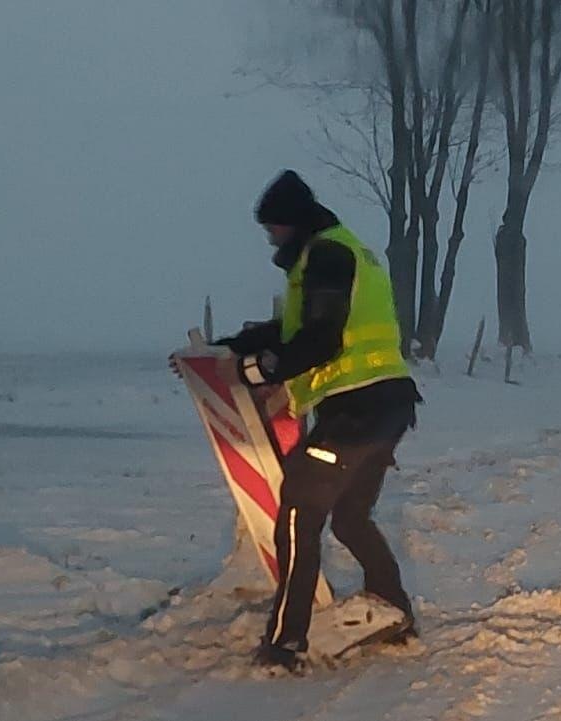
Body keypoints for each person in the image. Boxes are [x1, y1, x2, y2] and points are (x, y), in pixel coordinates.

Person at [216, 170, 422, 672]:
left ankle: (286, 643)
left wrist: (257, 369)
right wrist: (232, 346)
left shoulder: (327, 256)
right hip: (388, 405)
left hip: (357, 410)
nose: (271, 240)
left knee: (296, 513)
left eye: (274, 229)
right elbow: (294, 329)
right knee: (350, 517)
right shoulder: (341, 250)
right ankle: (395, 610)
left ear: (293, 223)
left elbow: (320, 340)